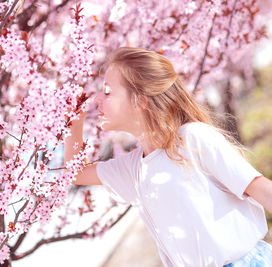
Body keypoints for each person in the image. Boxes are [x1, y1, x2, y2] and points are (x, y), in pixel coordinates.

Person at [64, 47, 272, 267]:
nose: (96, 98)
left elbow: (261, 190)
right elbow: (75, 172)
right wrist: (75, 120)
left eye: (107, 92)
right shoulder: (134, 169)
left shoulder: (192, 139)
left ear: (139, 101)